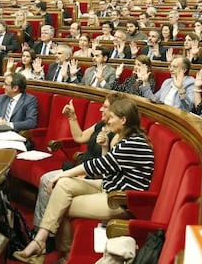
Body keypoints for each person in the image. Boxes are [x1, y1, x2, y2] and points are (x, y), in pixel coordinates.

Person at [13, 98, 154, 264]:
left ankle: (59, 252)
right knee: (64, 186)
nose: (108, 119)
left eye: (113, 116)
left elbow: (98, 165)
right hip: (108, 186)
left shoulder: (133, 144)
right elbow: (106, 166)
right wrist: (65, 177)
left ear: (123, 120)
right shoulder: (125, 138)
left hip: (119, 200)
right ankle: (42, 242)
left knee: (60, 203)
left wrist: (62, 174)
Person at [33, 93, 125, 238]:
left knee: (48, 181)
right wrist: (72, 117)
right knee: (47, 179)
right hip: (82, 167)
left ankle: (46, 237)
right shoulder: (101, 125)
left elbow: (107, 166)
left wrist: (104, 147)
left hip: (92, 174)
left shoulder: (118, 136)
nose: (101, 109)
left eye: (105, 107)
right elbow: (79, 137)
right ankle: (42, 232)